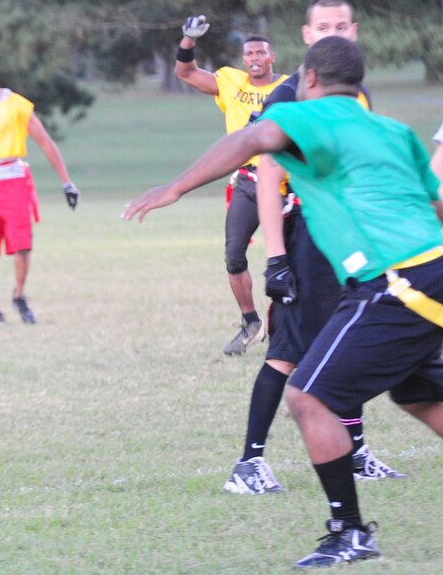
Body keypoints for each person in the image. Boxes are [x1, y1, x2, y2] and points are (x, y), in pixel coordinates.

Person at [124, 35, 443, 569]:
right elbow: (434, 205)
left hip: (395, 281)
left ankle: (349, 533)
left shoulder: (309, 116)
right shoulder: (393, 131)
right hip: (431, 270)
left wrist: (175, 187)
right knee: (419, 394)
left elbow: (252, 138)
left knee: (309, 398)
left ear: (309, 80)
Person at [223, 0, 404, 495]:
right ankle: (248, 464)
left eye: (341, 26)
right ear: (306, 35)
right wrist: (277, 259)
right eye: (323, 27)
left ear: (354, 30)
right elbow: (267, 175)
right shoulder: (289, 95)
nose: (332, 34)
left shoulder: (355, 92)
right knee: (287, 352)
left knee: (347, 344)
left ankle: (356, 451)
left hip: (347, 238)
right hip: (307, 235)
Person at [175, 18, 287, 355]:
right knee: (234, 254)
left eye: (261, 52)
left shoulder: (288, 87)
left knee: (291, 259)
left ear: (272, 57)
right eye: (249, 53)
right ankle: (251, 322)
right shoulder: (231, 82)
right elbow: (186, 73)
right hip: (247, 182)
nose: (254, 58)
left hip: (285, 184)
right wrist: (188, 40)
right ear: (243, 59)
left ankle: (288, 329)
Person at [0, 56, 79, 325]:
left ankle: (19, 295)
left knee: (22, 245)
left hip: (13, 179)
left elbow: (45, 141)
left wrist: (66, 182)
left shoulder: (16, 104)